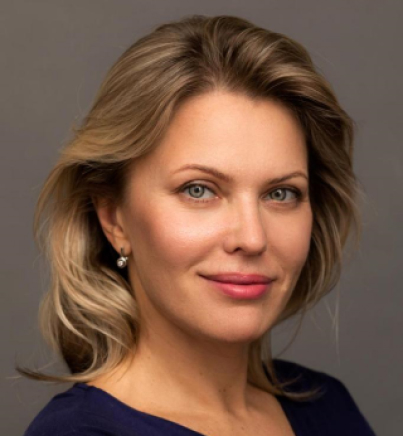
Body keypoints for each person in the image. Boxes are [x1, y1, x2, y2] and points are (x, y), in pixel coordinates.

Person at [18, 14, 377, 436]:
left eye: (281, 194)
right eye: (199, 190)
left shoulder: (330, 409)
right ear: (114, 218)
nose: (252, 238)